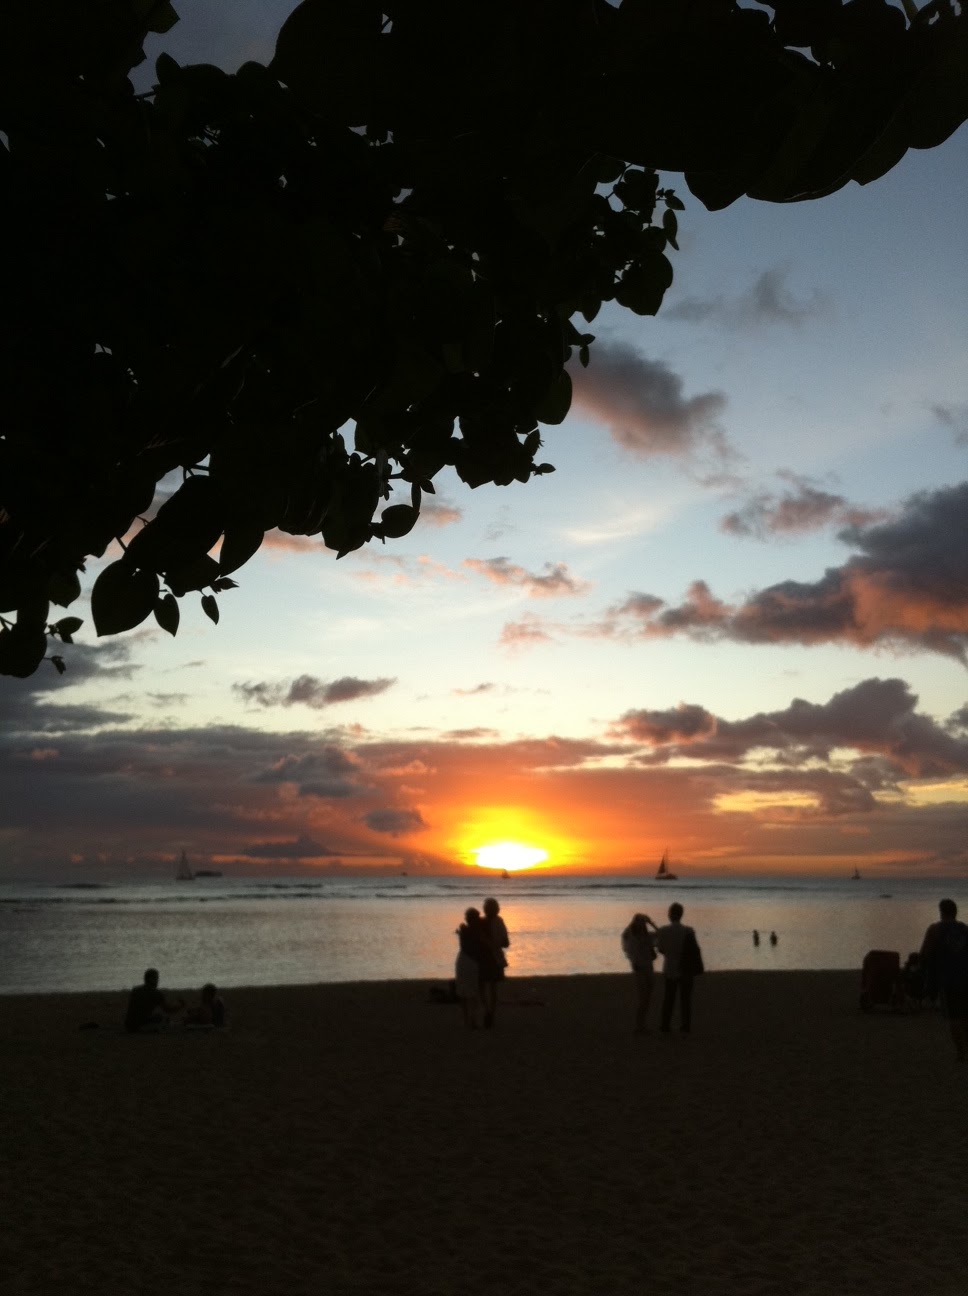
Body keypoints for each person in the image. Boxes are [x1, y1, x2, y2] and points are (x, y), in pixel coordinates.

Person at [920, 898, 968, 1061]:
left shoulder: (935, 929)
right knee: (965, 1016)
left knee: (954, 1017)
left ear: (941, 912)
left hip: (949, 979)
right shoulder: (964, 929)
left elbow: (924, 954)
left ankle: (961, 1052)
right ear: (955, 912)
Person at [655, 903, 703, 1034]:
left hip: (670, 968)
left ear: (670, 914)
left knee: (668, 999)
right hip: (686, 970)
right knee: (685, 1000)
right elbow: (694, 951)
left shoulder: (663, 931)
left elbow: (661, 949)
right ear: (681, 915)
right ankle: (685, 1027)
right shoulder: (689, 931)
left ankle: (665, 1026)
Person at [621, 913, 659, 1033]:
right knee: (643, 998)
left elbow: (661, 935)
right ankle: (640, 1025)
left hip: (647, 968)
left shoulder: (646, 936)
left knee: (647, 997)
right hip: (640, 969)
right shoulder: (631, 937)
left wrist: (651, 922)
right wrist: (650, 922)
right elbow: (625, 935)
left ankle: (642, 1024)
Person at [480, 897, 510, 1029]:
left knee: (482, 986)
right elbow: (506, 942)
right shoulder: (499, 921)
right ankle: (490, 1011)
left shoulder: (480, 922)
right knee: (492, 988)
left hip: (483, 957)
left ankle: (487, 1010)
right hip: (494, 957)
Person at [124, 968, 184, 1033]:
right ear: (151, 979)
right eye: (156, 978)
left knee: (157, 1016)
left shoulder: (135, 990)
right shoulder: (156, 993)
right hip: (139, 1025)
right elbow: (168, 1010)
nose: (158, 981)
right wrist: (181, 1005)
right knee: (161, 1019)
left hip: (129, 1024)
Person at [455, 908, 485, 1029]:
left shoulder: (466, 930)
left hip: (463, 960)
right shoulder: (476, 932)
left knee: (464, 992)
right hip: (471, 962)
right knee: (473, 992)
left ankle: (467, 1020)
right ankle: (472, 1020)